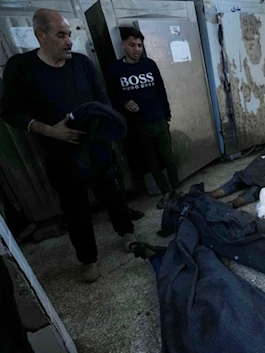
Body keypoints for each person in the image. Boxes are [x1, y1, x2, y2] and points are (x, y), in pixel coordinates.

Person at [0, 9, 139, 283]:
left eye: (69, 34)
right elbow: (9, 111)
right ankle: (88, 259)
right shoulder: (21, 67)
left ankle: (127, 233)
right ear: (41, 36)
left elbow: (103, 101)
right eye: (61, 35)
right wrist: (50, 130)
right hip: (60, 155)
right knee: (75, 209)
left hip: (96, 147)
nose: (69, 41)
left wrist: (104, 126)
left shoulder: (83, 64)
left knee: (113, 194)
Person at [107, 28, 180, 209]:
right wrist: (124, 103)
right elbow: (111, 96)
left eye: (140, 45)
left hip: (158, 120)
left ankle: (177, 190)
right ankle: (165, 192)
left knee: (169, 159)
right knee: (152, 163)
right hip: (138, 126)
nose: (137, 49)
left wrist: (167, 113)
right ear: (123, 45)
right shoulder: (115, 69)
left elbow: (161, 90)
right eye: (132, 45)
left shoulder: (149, 65)